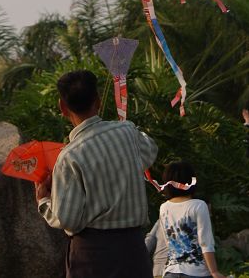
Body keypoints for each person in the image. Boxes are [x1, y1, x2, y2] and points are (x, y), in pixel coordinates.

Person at [35, 69, 158, 278]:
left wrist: (44, 199)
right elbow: (150, 150)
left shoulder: (69, 157)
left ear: (62, 108)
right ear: (98, 100)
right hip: (133, 252)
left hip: (93, 258)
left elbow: (68, 220)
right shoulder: (127, 131)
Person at [158, 160, 226, 278]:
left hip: (170, 272)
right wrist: (214, 272)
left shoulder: (164, 208)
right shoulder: (198, 206)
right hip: (196, 272)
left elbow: (168, 242)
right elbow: (205, 243)